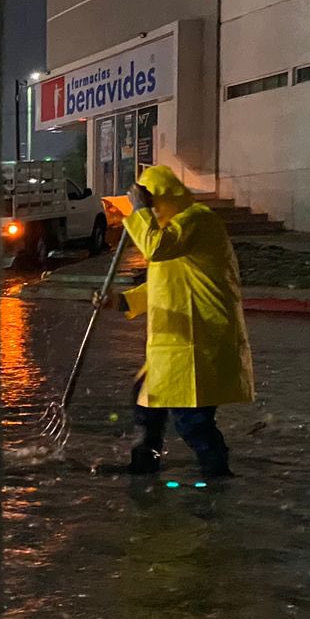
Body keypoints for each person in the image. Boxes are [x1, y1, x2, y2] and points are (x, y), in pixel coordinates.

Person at [98, 164, 253, 478]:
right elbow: (167, 284)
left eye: (147, 205)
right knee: (146, 403)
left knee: (192, 419)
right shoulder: (172, 231)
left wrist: (140, 212)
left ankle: (217, 474)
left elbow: (155, 249)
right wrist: (121, 300)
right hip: (174, 345)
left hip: (200, 341)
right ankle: (144, 464)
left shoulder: (197, 221)